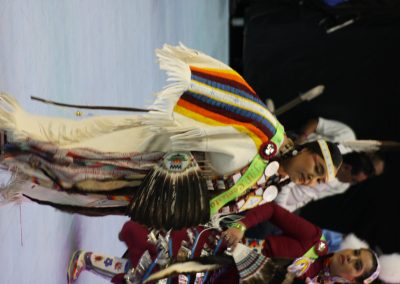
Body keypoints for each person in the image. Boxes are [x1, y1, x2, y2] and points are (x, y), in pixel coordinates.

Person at [0, 44, 341, 229]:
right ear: (306, 148)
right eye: (314, 166)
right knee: (76, 151)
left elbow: (227, 211)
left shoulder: (271, 191)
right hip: (149, 153)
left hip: (150, 189)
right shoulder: (265, 132)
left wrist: (213, 222)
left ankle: (20, 165)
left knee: (76, 192)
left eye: (318, 179)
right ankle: (10, 136)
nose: (310, 177)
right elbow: (230, 104)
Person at [67, 201, 380, 284]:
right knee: (157, 267)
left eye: (357, 265)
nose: (349, 259)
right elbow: (271, 210)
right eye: (355, 253)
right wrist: (243, 226)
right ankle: (88, 260)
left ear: (354, 281)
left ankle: (88, 260)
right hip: (221, 252)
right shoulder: (314, 240)